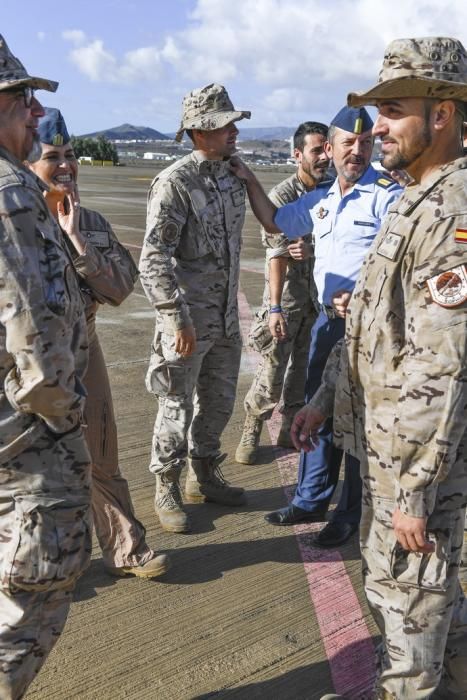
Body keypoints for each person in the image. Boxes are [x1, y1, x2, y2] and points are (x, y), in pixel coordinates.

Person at [291, 36, 467, 700]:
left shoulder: (453, 210)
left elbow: (443, 363)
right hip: (385, 453)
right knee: (430, 621)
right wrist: (322, 397)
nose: (375, 127)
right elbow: (371, 322)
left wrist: (416, 486)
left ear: (443, 113)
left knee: (408, 630)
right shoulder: (410, 197)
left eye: (392, 110)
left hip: (414, 468)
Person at [232, 107, 402, 548]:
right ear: (330, 148)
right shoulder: (322, 200)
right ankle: (310, 499)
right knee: (317, 414)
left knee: (356, 426)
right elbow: (275, 221)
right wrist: (250, 179)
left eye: (365, 143)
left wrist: (366, 296)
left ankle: (348, 514)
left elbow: (403, 265)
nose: (358, 151)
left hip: (368, 328)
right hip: (328, 324)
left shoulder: (387, 196)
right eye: (349, 143)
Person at [27, 108, 170, 579]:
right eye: (54, 157)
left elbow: (121, 286)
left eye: (71, 156)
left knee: (100, 453)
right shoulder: (14, 223)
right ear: (27, 162)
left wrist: (77, 244)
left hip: (83, 352)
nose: (66, 165)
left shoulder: (89, 222)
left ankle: (125, 548)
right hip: (23, 362)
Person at [0, 35, 91, 698]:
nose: (35, 111)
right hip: (30, 442)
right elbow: (33, 346)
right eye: (19, 98)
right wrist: (68, 414)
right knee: (37, 592)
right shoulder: (10, 193)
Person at [139, 83, 249, 534]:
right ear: (200, 132)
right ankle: (166, 484)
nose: (233, 132)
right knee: (175, 405)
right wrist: (174, 317)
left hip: (224, 319)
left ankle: (202, 476)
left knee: (219, 403)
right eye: (225, 125)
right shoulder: (175, 182)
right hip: (187, 322)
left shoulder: (232, 176)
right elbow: (153, 257)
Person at [235, 121, 328, 465]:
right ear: (297, 155)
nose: (323, 158)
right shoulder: (282, 197)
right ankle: (253, 424)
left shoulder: (331, 193)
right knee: (273, 373)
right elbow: (276, 255)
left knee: (302, 372)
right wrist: (274, 308)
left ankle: (290, 423)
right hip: (287, 302)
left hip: (316, 304)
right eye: (316, 151)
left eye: (326, 150)